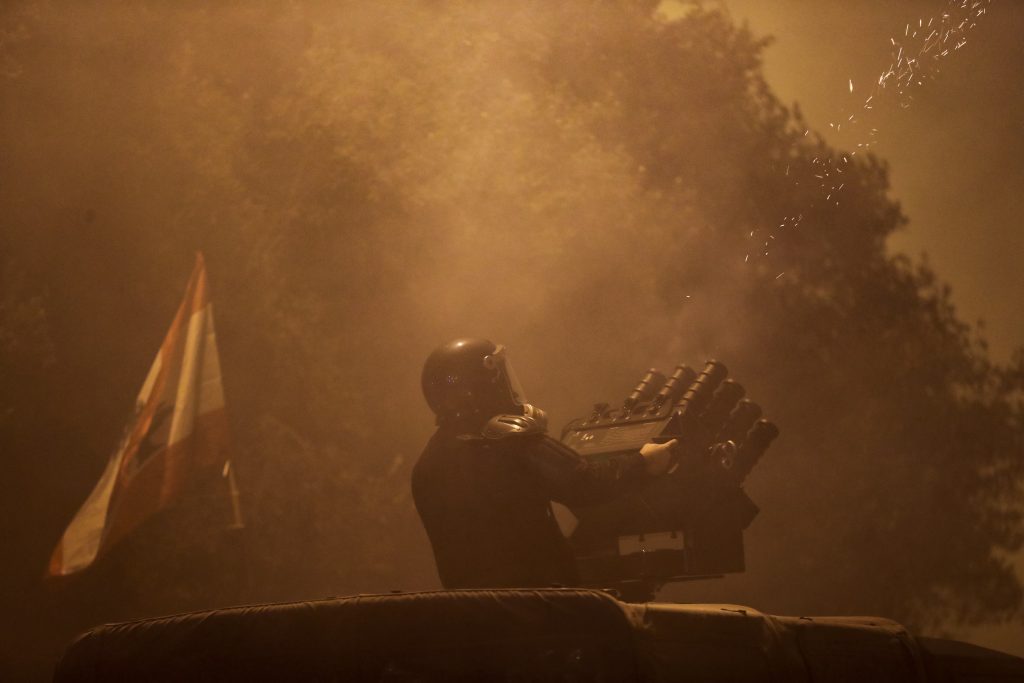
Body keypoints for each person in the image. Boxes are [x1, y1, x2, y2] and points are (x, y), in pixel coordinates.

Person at [412, 338, 675, 589]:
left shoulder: (428, 462)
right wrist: (644, 462)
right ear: (485, 383)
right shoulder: (511, 442)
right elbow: (586, 483)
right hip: (541, 608)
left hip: (474, 610)